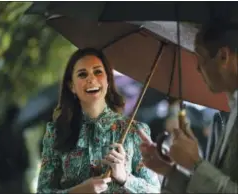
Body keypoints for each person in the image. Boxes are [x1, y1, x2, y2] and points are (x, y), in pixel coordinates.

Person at [37, 48, 161, 193]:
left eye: (98, 72)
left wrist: (124, 177)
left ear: (108, 80)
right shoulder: (56, 132)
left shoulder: (135, 131)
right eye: (83, 74)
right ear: (72, 86)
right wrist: (78, 191)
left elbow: (154, 191)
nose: (91, 79)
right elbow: (42, 191)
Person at [138, 20, 238, 193]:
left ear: (223, 56)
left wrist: (195, 163)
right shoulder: (228, 115)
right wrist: (170, 171)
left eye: (200, 58)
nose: (198, 69)